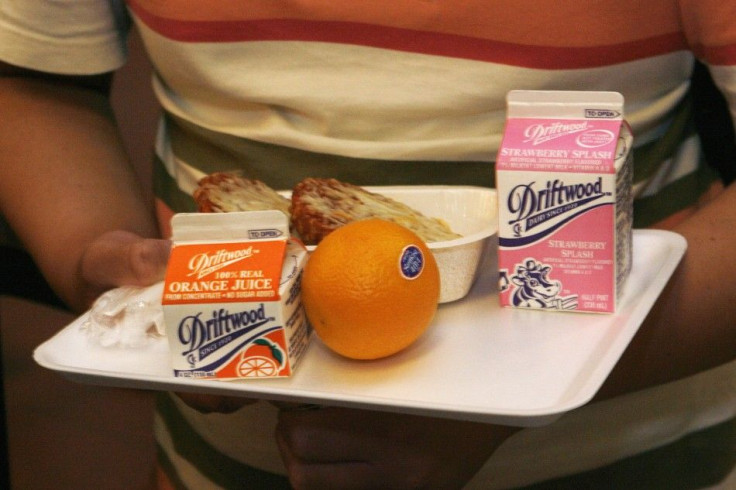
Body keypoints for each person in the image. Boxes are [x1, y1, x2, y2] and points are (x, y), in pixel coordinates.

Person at [1, 1, 735, 488]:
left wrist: (505, 405)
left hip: (633, 454)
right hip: (224, 456)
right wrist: (95, 255)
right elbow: (35, 77)